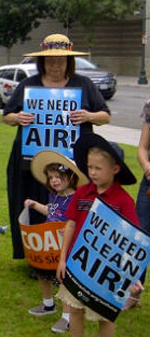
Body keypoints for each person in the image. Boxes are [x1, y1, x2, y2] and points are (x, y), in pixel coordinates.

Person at [3, 34, 110, 260]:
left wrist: (88, 115)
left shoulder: (84, 84)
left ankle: (68, 255)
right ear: (41, 62)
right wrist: (17, 117)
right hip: (32, 163)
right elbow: (7, 116)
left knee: (70, 207)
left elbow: (105, 116)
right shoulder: (27, 84)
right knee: (33, 204)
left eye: (60, 61)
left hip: (71, 164)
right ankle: (36, 254)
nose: (55, 66)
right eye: (50, 61)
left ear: (69, 62)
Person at [57, 133, 139, 337]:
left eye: (98, 168)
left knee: (104, 316)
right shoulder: (82, 192)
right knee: (75, 310)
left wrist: (132, 274)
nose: (92, 172)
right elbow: (70, 225)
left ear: (115, 169)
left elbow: (133, 240)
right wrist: (62, 258)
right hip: (78, 265)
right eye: (89, 167)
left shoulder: (124, 201)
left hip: (107, 271)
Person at [25, 150, 88, 333]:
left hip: (64, 246)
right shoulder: (54, 195)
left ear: (70, 176)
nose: (54, 180)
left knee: (63, 281)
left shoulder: (75, 199)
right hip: (48, 243)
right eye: (51, 177)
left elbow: (75, 223)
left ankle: (67, 317)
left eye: (59, 176)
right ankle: (47, 304)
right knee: (41, 272)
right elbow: (51, 212)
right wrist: (36, 206)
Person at [129, 99, 150, 310]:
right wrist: (146, 166)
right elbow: (143, 148)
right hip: (149, 183)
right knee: (140, 237)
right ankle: (134, 294)